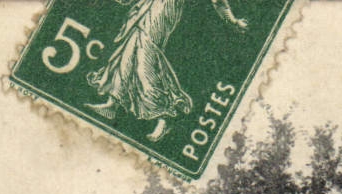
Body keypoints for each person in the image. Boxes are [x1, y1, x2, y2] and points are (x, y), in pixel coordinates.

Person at [86, 0, 248, 142]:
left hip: (165, 9)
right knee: (129, 49)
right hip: (146, 6)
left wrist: (232, 21)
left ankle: (167, 116)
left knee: (145, 57)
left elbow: (218, 1)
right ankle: (112, 104)